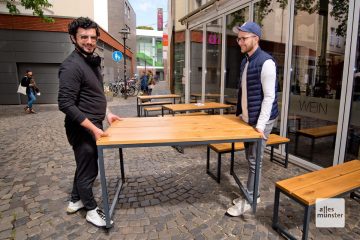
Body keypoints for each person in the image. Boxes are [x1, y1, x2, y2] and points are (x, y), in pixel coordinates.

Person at [58, 17, 121, 227]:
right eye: (83, 37)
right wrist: (94, 128)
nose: (89, 41)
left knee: (83, 165)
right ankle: (92, 210)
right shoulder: (71, 66)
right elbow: (65, 103)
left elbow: (94, 94)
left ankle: (75, 200)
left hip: (94, 122)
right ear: (73, 38)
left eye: (93, 37)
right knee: (90, 168)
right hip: (82, 127)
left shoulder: (90, 60)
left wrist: (108, 113)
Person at [226, 22, 279, 217]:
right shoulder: (246, 61)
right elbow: (246, 91)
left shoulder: (266, 62)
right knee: (250, 158)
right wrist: (242, 113)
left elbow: (269, 97)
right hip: (249, 119)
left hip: (261, 121)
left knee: (255, 160)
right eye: (238, 38)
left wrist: (260, 125)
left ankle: (251, 198)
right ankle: (250, 193)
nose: (239, 41)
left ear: (256, 39)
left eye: (243, 38)